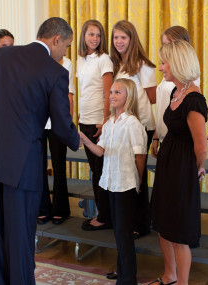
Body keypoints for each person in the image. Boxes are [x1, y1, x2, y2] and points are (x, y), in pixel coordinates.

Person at [0, 17, 80, 285]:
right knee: (20, 236)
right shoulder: (55, 72)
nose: (65, 53)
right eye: (66, 46)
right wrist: (79, 140)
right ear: (56, 39)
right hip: (22, 164)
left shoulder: (1, 56)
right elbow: (62, 126)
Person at [150, 40, 208, 285]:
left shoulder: (194, 99)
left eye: (164, 63)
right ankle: (169, 276)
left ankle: (182, 283)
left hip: (182, 169)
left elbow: (201, 146)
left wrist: (194, 169)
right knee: (164, 224)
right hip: (168, 164)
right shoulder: (176, 91)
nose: (161, 67)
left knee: (179, 231)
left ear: (178, 64)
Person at [79, 78, 147, 285]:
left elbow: (140, 156)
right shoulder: (109, 123)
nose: (112, 96)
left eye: (118, 92)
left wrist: (138, 182)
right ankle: (123, 272)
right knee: (119, 233)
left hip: (125, 185)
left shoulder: (132, 123)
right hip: (111, 184)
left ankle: (128, 280)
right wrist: (84, 139)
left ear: (129, 97)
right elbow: (101, 151)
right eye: (111, 92)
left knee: (124, 234)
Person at [109, 20, 156, 239]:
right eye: (116, 37)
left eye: (123, 38)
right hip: (124, 127)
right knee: (128, 175)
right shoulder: (117, 64)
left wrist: (155, 131)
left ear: (132, 39)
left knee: (138, 176)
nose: (119, 41)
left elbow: (153, 99)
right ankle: (130, 220)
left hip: (141, 126)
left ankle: (142, 223)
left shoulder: (142, 65)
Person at [76, 20, 114, 231]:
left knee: (100, 171)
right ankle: (103, 213)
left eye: (98, 35)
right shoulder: (81, 60)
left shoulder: (104, 59)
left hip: (99, 121)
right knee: (95, 170)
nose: (95, 39)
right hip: (86, 120)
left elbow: (108, 92)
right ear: (84, 36)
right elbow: (85, 91)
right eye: (91, 34)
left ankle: (105, 217)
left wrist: (105, 120)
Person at [151, 26, 200, 157]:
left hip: (177, 140)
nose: (167, 50)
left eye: (170, 45)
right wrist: (156, 136)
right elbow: (163, 107)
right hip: (164, 138)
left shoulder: (187, 76)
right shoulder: (168, 73)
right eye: (164, 45)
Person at [38, 55, 75, 225]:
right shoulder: (38, 60)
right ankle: (43, 207)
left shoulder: (66, 63)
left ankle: (61, 209)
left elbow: (69, 94)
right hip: (38, 119)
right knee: (39, 166)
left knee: (59, 165)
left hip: (57, 121)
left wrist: (68, 122)